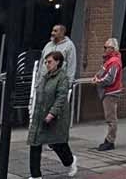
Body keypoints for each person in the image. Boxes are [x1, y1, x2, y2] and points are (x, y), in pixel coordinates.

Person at [28, 51, 77, 179]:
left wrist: (52, 113)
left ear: (57, 62)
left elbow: (61, 98)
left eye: (49, 62)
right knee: (35, 143)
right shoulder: (45, 76)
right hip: (40, 115)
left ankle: (70, 161)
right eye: (46, 62)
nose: (47, 64)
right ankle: (35, 175)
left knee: (57, 143)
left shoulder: (62, 78)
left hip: (55, 118)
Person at [91, 37, 124, 151]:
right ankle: (109, 140)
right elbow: (103, 71)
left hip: (111, 92)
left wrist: (98, 81)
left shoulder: (114, 61)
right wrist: (97, 76)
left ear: (112, 48)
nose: (104, 49)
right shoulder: (109, 60)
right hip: (108, 91)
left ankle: (110, 141)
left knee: (111, 118)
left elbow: (110, 79)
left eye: (106, 47)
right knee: (110, 117)